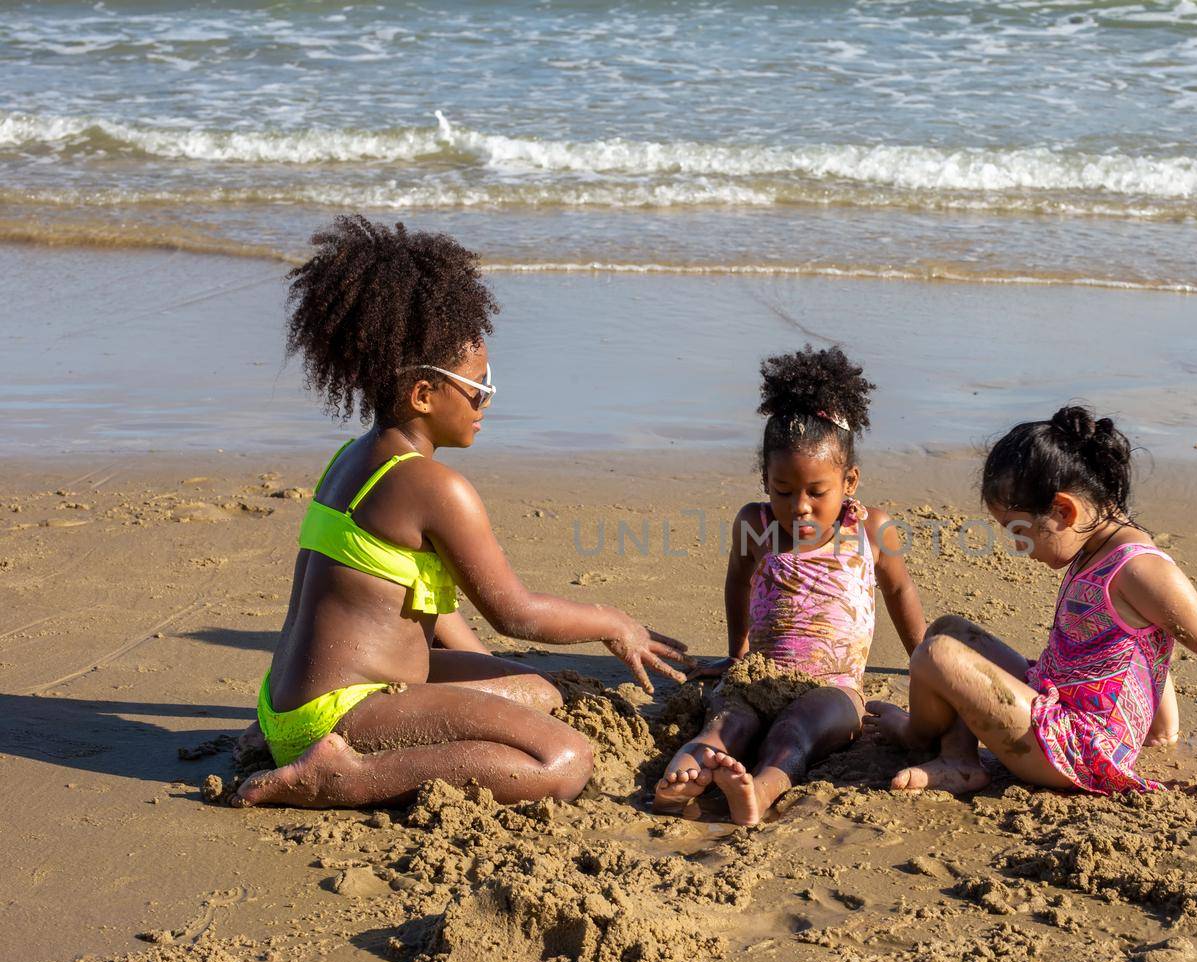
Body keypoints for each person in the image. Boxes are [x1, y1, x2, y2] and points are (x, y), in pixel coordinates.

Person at [235, 215, 692, 808]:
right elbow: (514, 613)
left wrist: (491, 690)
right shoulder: (434, 487)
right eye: (477, 385)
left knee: (535, 694)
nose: (487, 400)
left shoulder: (356, 458)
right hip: (341, 713)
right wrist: (613, 621)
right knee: (564, 759)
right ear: (423, 394)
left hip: (289, 703)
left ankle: (299, 747)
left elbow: (420, 603)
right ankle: (341, 777)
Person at [869, 405, 1197, 797]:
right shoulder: (1096, 549)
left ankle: (920, 738)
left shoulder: (1138, 569)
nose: (1016, 547)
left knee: (937, 654)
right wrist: (1162, 728)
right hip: (1055, 706)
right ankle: (960, 756)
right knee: (949, 630)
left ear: (1063, 511)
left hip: (1077, 752)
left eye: (1018, 531)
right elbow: (1152, 642)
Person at [654, 346, 926, 824]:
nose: (799, 505)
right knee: (726, 723)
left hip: (835, 687)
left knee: (793, 733)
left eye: (816, 492)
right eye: (783, 490)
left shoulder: (872, 531)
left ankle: (760, 791)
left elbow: (900, 592)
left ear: (850, 481)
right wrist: (737, 655)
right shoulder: (755, 525)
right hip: (761, 674)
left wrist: (923, 665)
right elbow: (737, 582)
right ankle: (684, 776)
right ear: (765, 480)